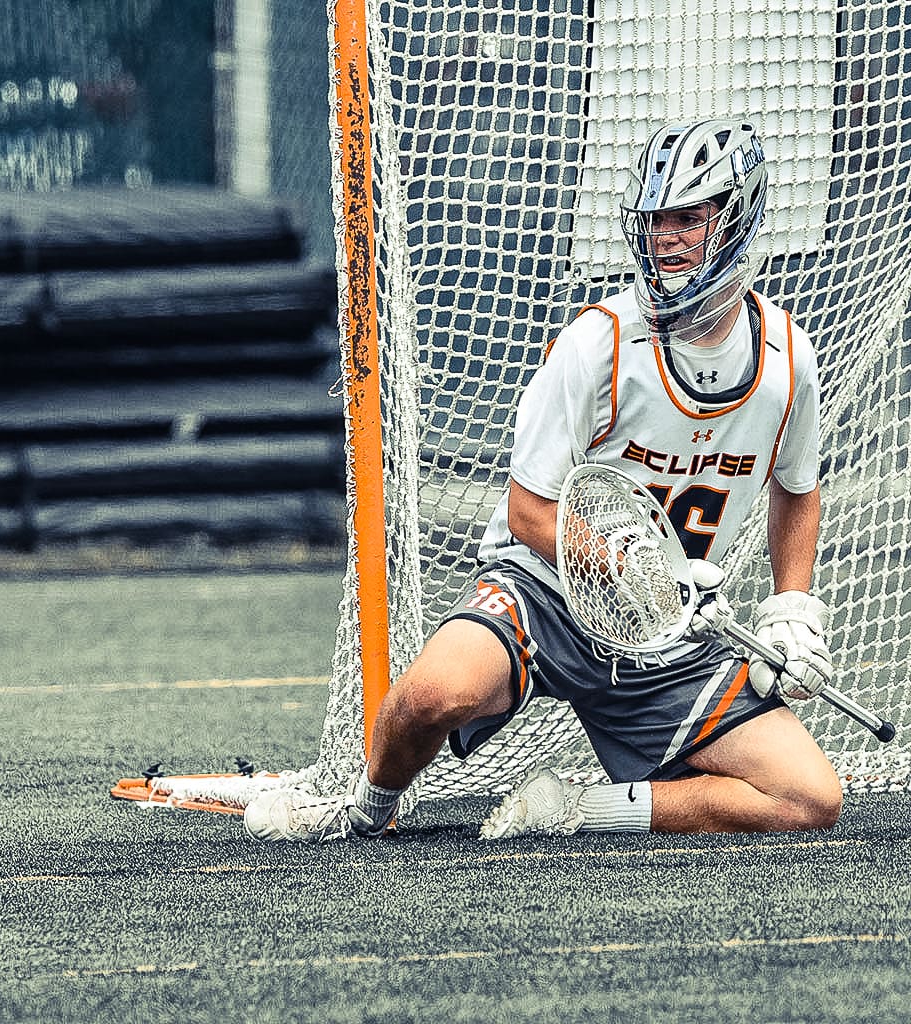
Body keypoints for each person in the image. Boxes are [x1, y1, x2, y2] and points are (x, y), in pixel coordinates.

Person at [244, 117, 842, 843]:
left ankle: (579, 808)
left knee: (807, 798)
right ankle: (363, 809)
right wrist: (629, 569)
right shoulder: (600, 342)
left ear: (739, 217)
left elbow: (796, 488)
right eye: (654, 220)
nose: (665, 238)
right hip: (547, 591)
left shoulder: (788, 361)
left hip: (663, 634)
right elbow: (529, 512)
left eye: (688, 218)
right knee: (432, 696)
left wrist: (791, 607)